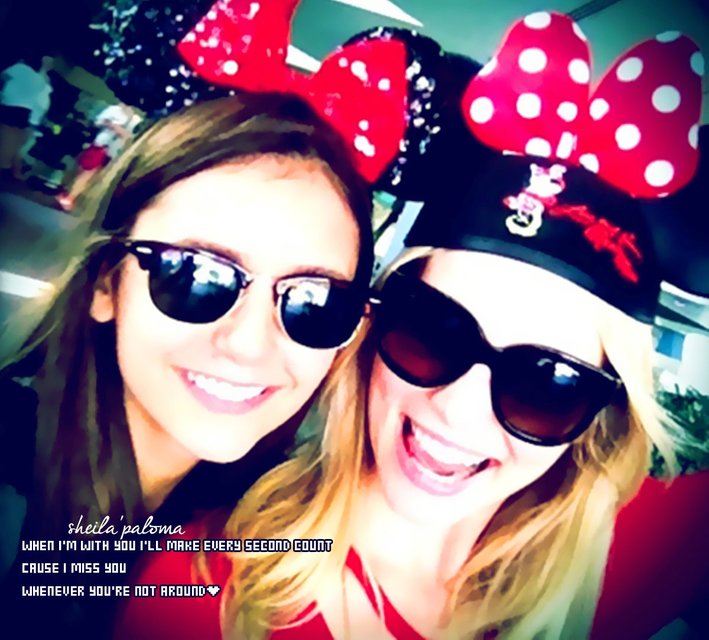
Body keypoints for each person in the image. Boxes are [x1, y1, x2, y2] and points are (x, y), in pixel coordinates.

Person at [114, 12, 705, 640]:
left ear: (597, 425)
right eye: (433, 332)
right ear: (373, 332)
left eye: (546, 383)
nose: (455, 410)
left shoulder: (633, 558)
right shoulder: (201, 589)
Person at [0, 91, 375, 635]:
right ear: (105, 282)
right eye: (197, 274)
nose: (249, 345)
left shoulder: (259, 531)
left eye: (314, 300)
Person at [57, 102, 140, 210]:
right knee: (86, 172)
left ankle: (69, 194)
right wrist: (112, 126)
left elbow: (130, 136)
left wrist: (120, 131)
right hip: (101, 146)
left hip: (113, 150)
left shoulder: (135, 119)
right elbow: (99, 121)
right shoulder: (115, 110)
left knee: (91, 174)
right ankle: (69, 196)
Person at [0, 53, 53, 179]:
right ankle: (6, 166)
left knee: (6, 132)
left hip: (10, 104)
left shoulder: (20, 68)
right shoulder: (41, 82)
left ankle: (6, 165)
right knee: (14, 138)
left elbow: (3, 76)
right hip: (25, 112)